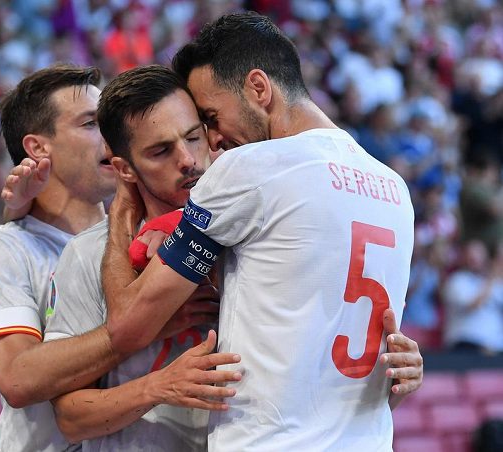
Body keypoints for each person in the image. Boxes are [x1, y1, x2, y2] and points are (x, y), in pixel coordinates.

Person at [100, 12, 419, 451]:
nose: (212, 141)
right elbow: (390, 367)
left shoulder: (248, 169)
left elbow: (128, 327)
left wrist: (120, 217)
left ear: (258, 88)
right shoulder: (393, 188)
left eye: (211, 116)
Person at [0, 64, 238, 452]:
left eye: (193, 137)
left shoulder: (135, 229)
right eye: (92, 123)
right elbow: (17, 379)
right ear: (38, 147)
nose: (108, 139)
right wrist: (146, 323)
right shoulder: (9, 245)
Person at [45, 65, 233, 450]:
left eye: (193, 137)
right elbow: (71, 418)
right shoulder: (88, 254)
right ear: (124, 169)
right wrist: (158, 387)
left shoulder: (253, 233)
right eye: (161, 151)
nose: (188, 160)